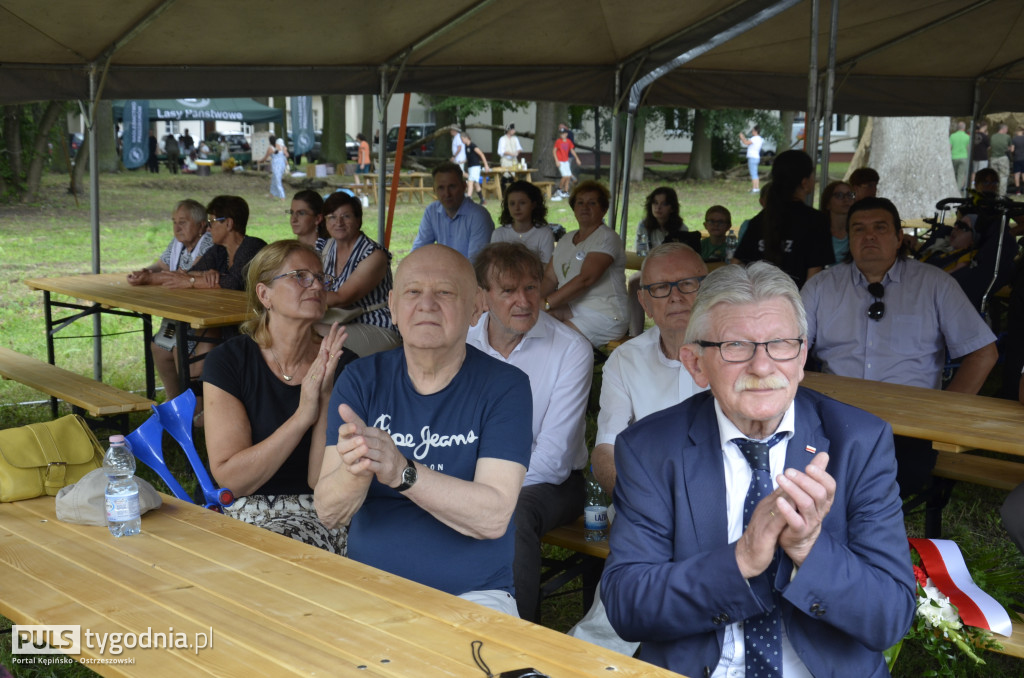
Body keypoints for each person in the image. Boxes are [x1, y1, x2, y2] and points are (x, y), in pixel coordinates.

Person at [602, 261, 915, 677]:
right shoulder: (651, 449)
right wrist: (741, 559)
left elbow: (890, 617)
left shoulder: (859, 443)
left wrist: (808, 548)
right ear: (696, 364)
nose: (762, 367)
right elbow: (627, 606)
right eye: (735, 346)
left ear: (802, 358)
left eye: (781, 343)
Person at [314, 245, 533, 616]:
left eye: (445, 292)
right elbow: (328, 511)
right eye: (413, 292)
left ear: (476, 306)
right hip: (370, 587)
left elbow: (494, 515)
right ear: (393, 306)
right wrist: (357, 468)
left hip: (474, 596)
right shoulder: (362, 380)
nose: (427, 304)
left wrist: (402, 471)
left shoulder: (505, 387)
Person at [801, 196, 998, 496]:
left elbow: (983, 352)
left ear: (898, 238)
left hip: (908, 427)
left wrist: (945, 414)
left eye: (879, 228)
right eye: (858, 229)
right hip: (833, 419)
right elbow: (788, 347)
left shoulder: (934, 284)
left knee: (884, 487)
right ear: (848, 238)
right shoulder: (821, 286)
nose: (868, 236)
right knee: (808, 476)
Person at [569, 243, 710, 655]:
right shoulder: (625, 361)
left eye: (688, 284)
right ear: (644, 301)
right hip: (644, 507)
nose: (677, 297)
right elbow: (605, 452)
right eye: (662, 288)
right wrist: (644, 505)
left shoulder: (739, 353)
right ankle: (592, 657)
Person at [203, 241, 355, 554]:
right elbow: (232, 479)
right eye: (300, 276)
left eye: (320, 278)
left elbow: (318, 480)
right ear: (264, 294)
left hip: (319, 514)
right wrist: (303, 416)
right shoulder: (230, 362)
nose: (315, 285)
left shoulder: (343, 363)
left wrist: (325, 393)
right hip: (241, 511)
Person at [467, 242, 592, 622]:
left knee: (512, 514)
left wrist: (481, 492)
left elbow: (553, 461)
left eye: (532, 288)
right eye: (507, 290)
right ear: (483, 296)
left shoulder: (571, 349)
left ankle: (518, 639)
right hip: (469, 472)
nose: (523, 301)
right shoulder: (463, 339)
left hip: (551, 483)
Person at [126, 199, 214, 400]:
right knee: (159, 346)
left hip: (200, 315)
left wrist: (149, 278)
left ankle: (195, 406)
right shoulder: (178, 243)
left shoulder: (208, 242)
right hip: (178, 314)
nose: (177, 227)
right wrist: (145, 272)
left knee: (178, 348)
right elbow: (161, 266)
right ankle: (173, 400)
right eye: (174, 222)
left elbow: (189, 275)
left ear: (202, 225)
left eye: (183, 222)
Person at [541, 180, 628, 346]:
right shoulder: (566, 239)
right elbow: (550, 278)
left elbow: (586, 279)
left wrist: (546, 303)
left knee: (556, 340)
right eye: (580, 202)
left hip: (606, 314)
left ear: (603, 209)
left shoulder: (606, 237)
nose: (584, 207)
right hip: (573, 308)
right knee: (536, 323)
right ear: (574, 208)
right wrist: (533, 302)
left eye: (592, 203)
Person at [317, 191, 401, 357]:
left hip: (376, 325)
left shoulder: (374, 255)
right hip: (339, 322)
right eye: (332, 217)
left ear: (358, 220)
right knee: (296, 327)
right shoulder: (325, 247)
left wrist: (293, 297)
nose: (338, 222)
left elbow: (343, 298)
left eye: (346, 216)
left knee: (308, 333)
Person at [734, 149, 834, 288]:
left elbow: (736, 265)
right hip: (795, 304)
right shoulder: (816, 221)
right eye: (812, 174)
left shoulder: (760, 219)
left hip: (759, 303)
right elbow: (814, 275)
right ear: (805, 183)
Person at [627, 187, 689, 336]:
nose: (658, 208)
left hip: (674, 274)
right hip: (650, 270)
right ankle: (635, 333)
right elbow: (642, 253)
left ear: (672, 208)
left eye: (663, 204)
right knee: (635, 281)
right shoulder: (644, 226)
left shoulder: (681, 229)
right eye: (655, 203)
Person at [411, 162, 495, 261]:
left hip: (470, 275)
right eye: (441, 188)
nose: (447, 194)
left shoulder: (479, 216)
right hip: (443, 273)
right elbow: (418, 251)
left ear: (464, 187)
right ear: (434, 190)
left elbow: (477, 264)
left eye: (452, 186)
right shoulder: (432, 212)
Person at [491, 180, 555, 264]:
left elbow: (547, 267)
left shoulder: (544, 234)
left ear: (533, 205)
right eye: (512, 203)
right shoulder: (499, 234)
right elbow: (493, 264)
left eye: (522, 203)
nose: (517, 208)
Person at [820, 180, 856, 263]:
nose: (846, 199)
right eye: (839, 195)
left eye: (850, 195)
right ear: (827, 204)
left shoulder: (859, 232)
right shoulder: (819, 232)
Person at [461, 131, 490, 205]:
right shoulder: (466, 146)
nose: (462, 141)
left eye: (462, 139)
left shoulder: (473, 145)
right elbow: (470, 157)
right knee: (476, 184)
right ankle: (482, 200)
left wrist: (486, 165)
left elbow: (481, 154)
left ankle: (468, 199)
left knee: (470, 182)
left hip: (475, 167)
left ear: (466, 138)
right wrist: (463, 161)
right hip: (470, 167)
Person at [552, 127, 581, 199]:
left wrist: (577, 158)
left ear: (566, 134)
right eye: (561, 134)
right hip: (560, 161)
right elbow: (554, 151)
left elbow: (572, 151)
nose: (562, 135)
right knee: (564, 176)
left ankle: (565, 192)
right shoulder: (558, 141)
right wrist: (556, 160)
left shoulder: (568, 141)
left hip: (566, 161)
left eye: (563, 134)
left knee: (568, 176)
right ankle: (558, 190)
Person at [497, 123, 522, 195]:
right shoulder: (502, 139)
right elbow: (501, 151)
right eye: (512, 129)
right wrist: (512, 154)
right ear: (509, 130)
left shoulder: (515, 138)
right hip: (505, 160)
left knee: (513, 176)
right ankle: (503, 192)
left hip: (514, 160)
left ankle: (514, 192)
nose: (514, 131)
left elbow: (519, 148)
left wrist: (517, 152)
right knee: (505, 175)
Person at [989, 123, 1012, 196]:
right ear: (1003, 129)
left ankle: (993, 192)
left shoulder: (993, 136)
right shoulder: (1007, 137)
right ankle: (1002, 194)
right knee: (1003, 176)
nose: (1007, 131)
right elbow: (1010, 148)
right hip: (1003, 157)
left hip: (993, 158)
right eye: (1006, 130)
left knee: (994, 176)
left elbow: (991, 146)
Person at [739, 125, 764, 192]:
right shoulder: (760, 139)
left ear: (756, 131)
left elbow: (746, 142)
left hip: (752, 157)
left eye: (752, 130)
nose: (752, 132)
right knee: (755, 173)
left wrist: (742, 137)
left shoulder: (754, 138)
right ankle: (757, 188)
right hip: (756, 157)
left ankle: (754, 188)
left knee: (753, 173)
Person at [950, 120, 970, 192]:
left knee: (954, 174)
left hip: (954, 157)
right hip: (964, 157)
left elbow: (950, 147)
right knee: (961, 175)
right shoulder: (967, 137)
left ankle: (952, 188)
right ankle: (957, 191)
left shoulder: (952, 136)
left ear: (957, 128)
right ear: (964, 128)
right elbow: (968, 148)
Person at [971, 122, 990, 187]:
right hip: (983, 157)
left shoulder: (974, 135)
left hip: (975, 156)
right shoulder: (985, 136)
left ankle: (973, 185)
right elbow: (989, 147)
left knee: (974, 172)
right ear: (984, 127)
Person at [1012, 127, 1024, 194]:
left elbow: (1012, 150)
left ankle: (1018, 191)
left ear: (1017, 132)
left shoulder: (1014, 139)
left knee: (1017, 174)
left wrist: (1013, 153)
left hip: (1016, 158)